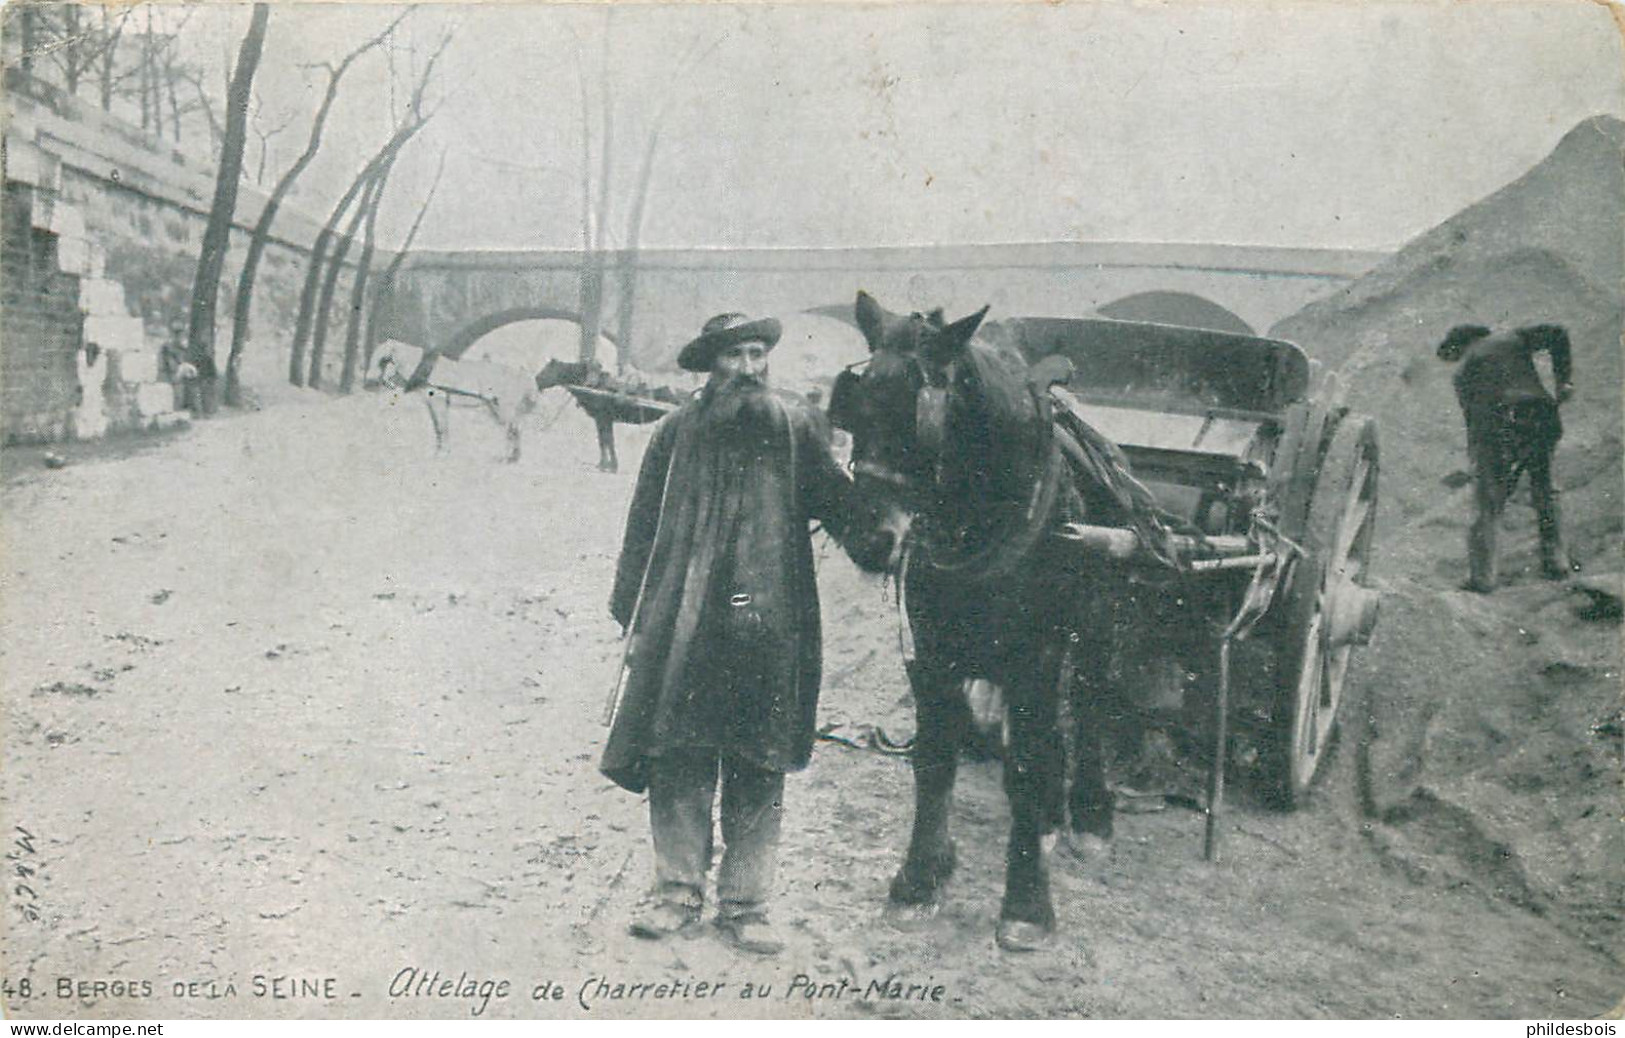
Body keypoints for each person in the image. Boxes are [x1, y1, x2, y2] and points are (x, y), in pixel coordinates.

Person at [600, 312, 854, 956]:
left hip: (772, 625)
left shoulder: (796, 430)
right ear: (711, 365)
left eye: (758, 354)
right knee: (678, 753)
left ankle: (746, 905)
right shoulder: (675, 434)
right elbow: (641, 527)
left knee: (759, 757)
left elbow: (846, 508)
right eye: (736, 356)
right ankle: (676, 894)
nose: (750, 368)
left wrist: (886, 523)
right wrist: (633, 614)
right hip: (685, 624)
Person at [1437, 323, 1577, 592]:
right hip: (1542, 415)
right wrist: (1564, 380)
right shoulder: (1511, 339)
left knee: (1488, 502)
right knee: (1545, 489)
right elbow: (1559, 333)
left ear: (1459, 346)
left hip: (1498, 425)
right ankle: (1557, 563)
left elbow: (1475, 423)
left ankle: (1483, 578)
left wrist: (1480, 466)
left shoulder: (1463, 372)